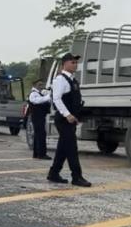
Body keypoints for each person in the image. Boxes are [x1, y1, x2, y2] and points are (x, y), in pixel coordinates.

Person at [47, 53, 92, 187]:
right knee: (71, 148)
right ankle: (76, 177)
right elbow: (56, 98)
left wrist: (75, 116)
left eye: (76, 63)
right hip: (63, 119)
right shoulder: (60, 80)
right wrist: (67, 114)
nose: (75, 64)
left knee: (63, 147)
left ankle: (54, 173)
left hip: (71, 119)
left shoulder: (73, 80)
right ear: (64, 64)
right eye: (72, 62)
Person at [28, 79, 52, 160]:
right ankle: (41, 154)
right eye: (39, 85)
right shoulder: (33, 94)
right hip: (37, 117)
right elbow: (37, 101)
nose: (41, 86)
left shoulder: (39, 93)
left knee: (38, 135)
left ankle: (36, 154)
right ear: (35, 85)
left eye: (42, 85)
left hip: (40, 117)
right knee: (41, 135)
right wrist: (48, 97)